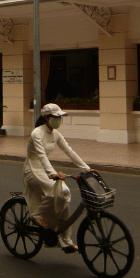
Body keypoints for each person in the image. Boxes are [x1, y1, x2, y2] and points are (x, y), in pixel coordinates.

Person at [23, 103, 91, 254]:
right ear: (46, 118)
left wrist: (87, 168)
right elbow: (40, 155)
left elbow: (70, 151)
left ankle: (66, 241)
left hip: (45, 169)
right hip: (33, 169)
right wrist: (50, 173)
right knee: (61, 191)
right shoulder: (37, 133)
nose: (59, 120)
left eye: (60, 117)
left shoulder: (55, 134)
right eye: (56, 117)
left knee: (64, 197)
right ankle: (37, 215)